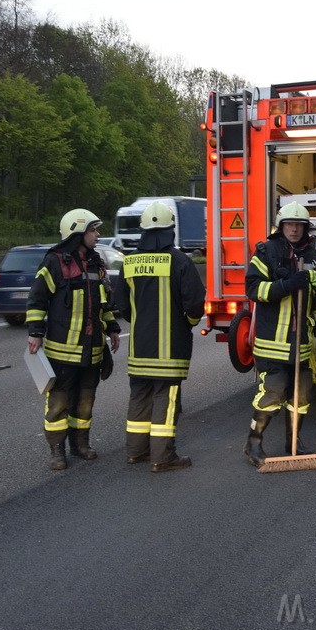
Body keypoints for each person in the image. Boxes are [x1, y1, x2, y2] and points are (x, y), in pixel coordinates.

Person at [27, 209, 121, 471]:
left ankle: (81, 444)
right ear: (78, 232)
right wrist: (35, 332)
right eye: (93, 230)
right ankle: (57, 451)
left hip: (92, 350)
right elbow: (37, 299)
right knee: (59, 403)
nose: (97, 234)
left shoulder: (96, 262)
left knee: (85, 401)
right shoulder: (54, 263)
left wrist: (112, 326)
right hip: (62, 353)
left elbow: (105, 301)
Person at [118, 201, 205, 473]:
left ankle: (136, 452)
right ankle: (163, 457)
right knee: (165, 402)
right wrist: (187, 324)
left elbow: (122, 305)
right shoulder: (179, 261)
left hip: (139, 348)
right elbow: (194, 304)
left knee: (139, 398)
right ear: (171, 228)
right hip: (169, 350)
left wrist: (141, 322)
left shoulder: (129, 262)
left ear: (143, 230)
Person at [243, 202, 316, 467]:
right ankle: (253, 443)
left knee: (302, 395)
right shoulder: (266, 252)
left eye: (299, 225)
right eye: (289, 224)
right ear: (281, 227)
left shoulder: (312, 257)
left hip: (300, 344)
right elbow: (254, 289)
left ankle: (294, 440)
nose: (294, 229)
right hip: (272, 343)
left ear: (305, 228)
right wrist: (286, 285)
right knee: (273, 394)